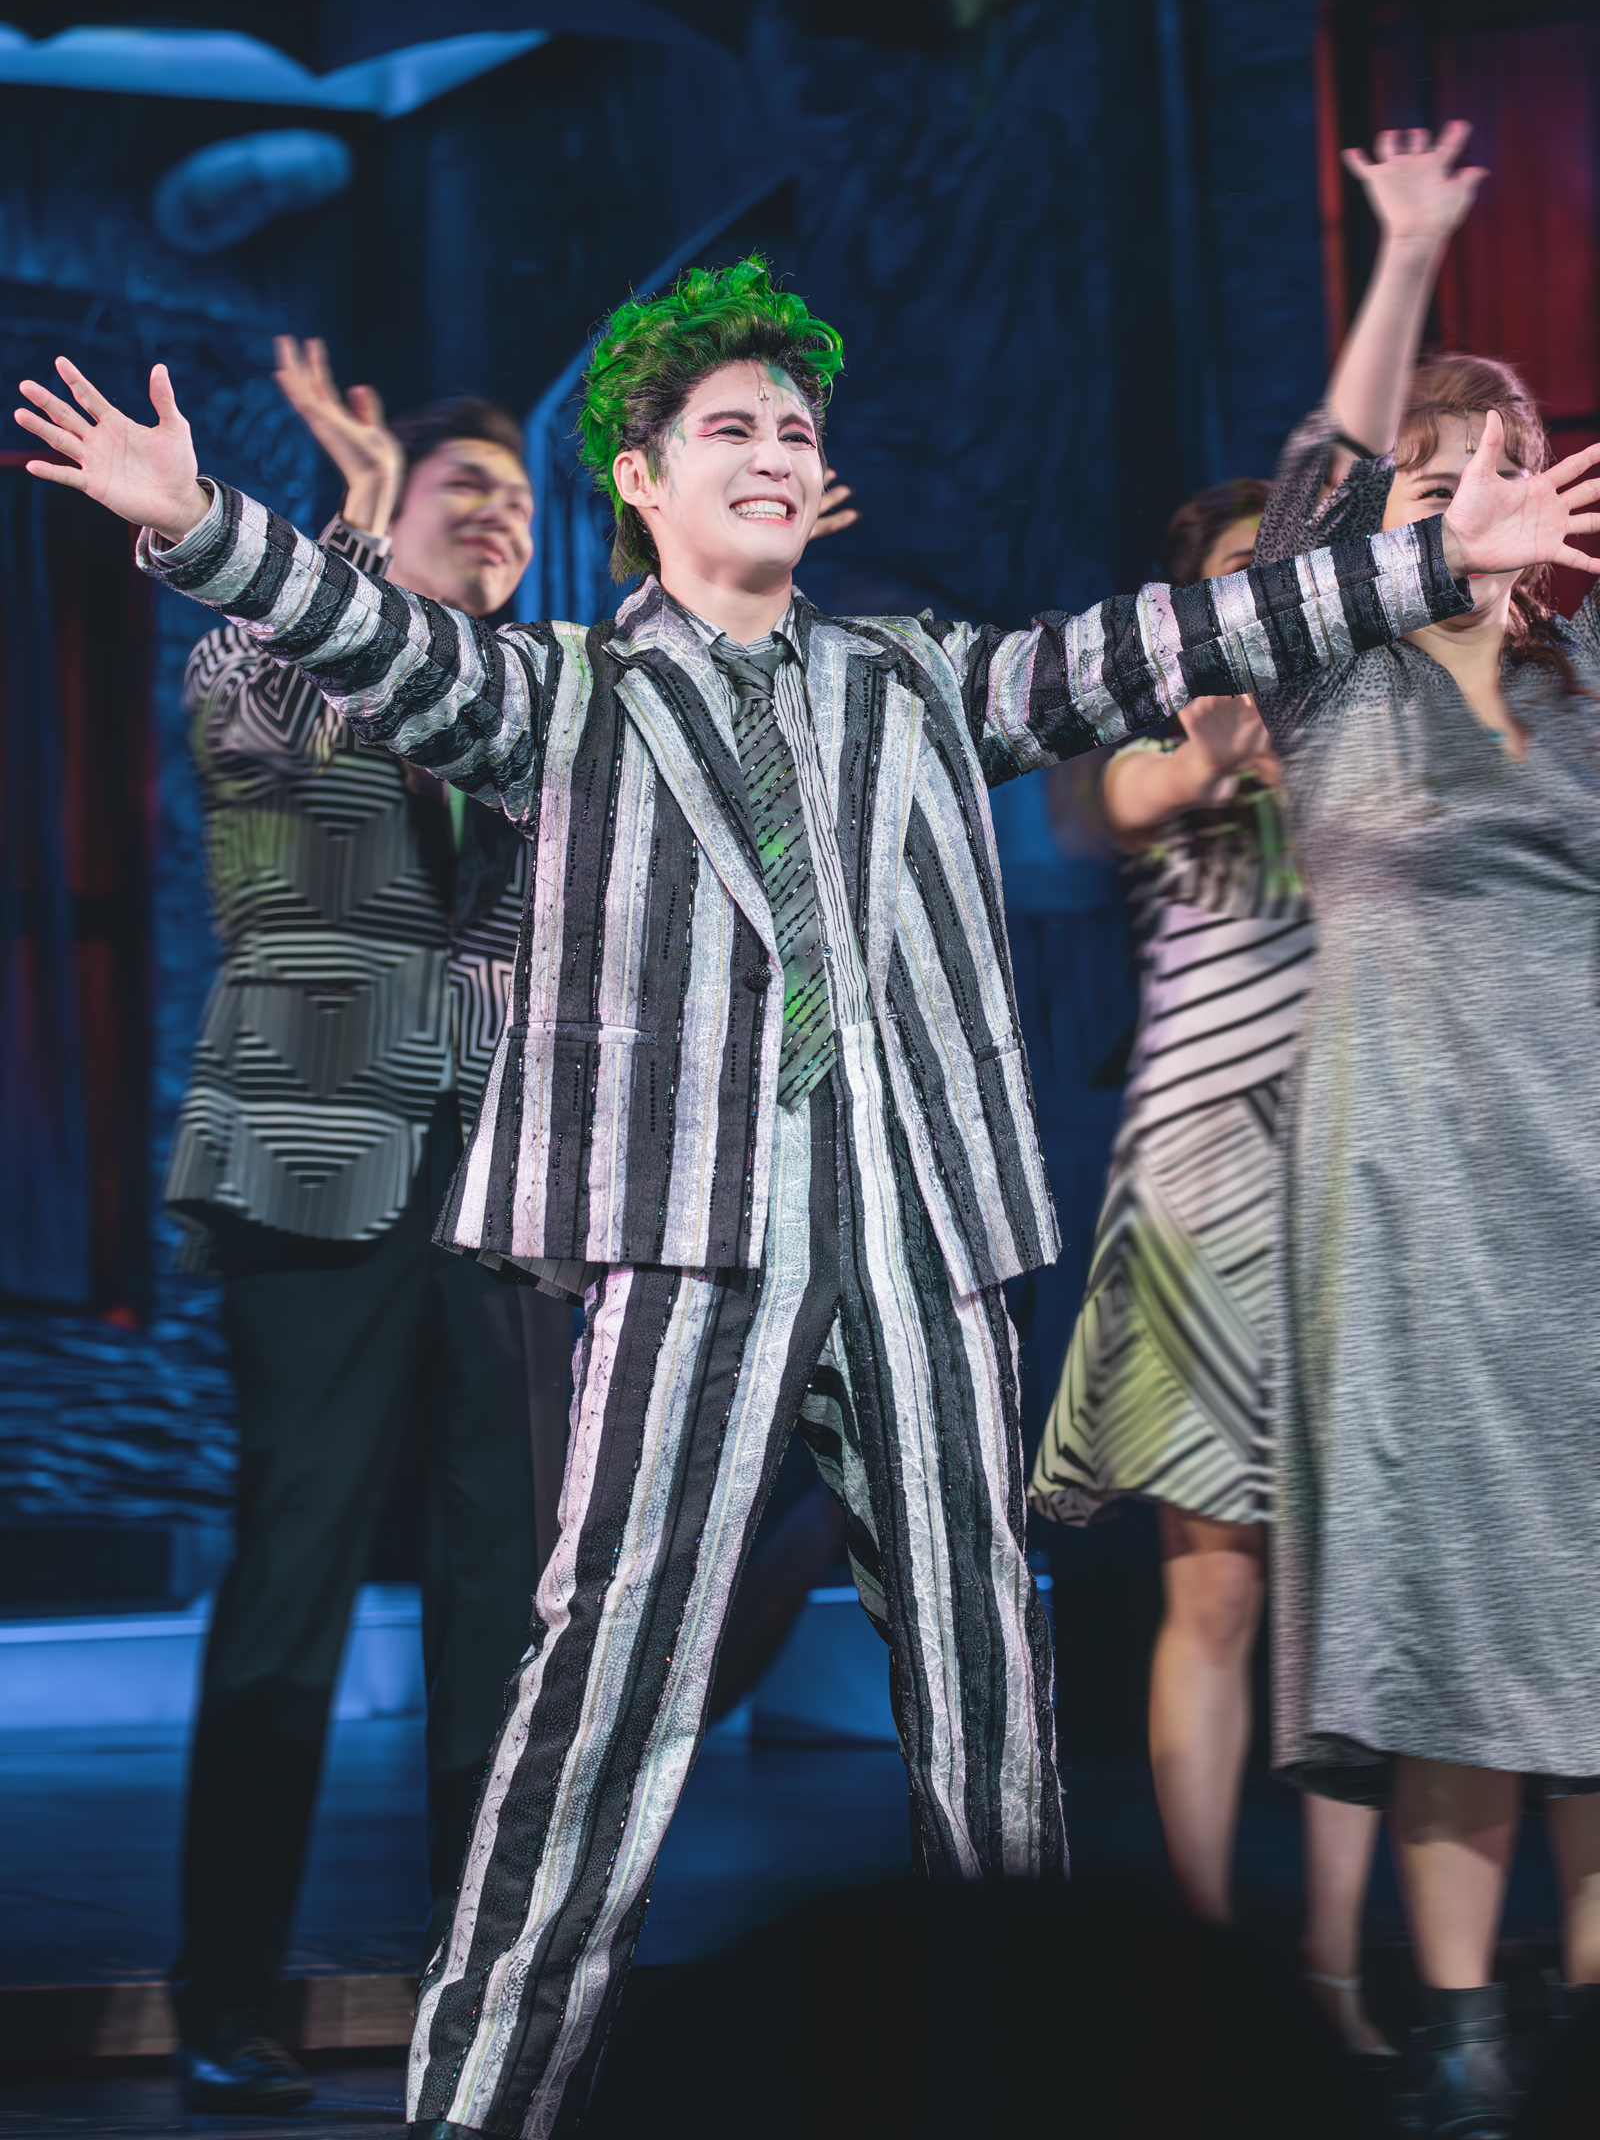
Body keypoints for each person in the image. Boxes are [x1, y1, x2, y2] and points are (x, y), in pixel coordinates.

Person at [15, 252, 1593, 2140]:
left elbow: (1167, 640)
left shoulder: (916, 676)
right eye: (732, 429)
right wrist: (198, 517)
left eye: (794, 428)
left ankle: (1029, 2094)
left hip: (921, 1234)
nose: (774, 452)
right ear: (643, 481)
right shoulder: (568, 693)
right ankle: (484, 2105)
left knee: (988, 1696)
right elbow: (380, 643)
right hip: (691, 1246)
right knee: (601, 1691)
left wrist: (1425, 562)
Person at [145, 352, 576, 2113]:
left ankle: (482, 1987)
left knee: (503, 1596)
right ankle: (226, 1990)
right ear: (385, 518)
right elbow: (251, 696)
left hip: (501, 1191)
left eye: (517, 499)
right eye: (461, 487)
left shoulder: (538, 701)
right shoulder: (269, 659)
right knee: (296, 1577)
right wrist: (345, 518)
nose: (496, 516)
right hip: (315, 1165)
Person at [1246, 122, 1600, 2135]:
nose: (1477, 486)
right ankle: (1460, 2029)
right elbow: (1310, 491)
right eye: (1438, 466)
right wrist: (1401, 261)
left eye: (1509, 457)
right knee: (1454, 1589)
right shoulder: (1327, 680)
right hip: (1401, 1190)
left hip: (1583, 1183)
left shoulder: (1589, 679)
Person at [1029, 476, 1389, 2056]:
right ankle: (1195, 1976)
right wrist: (1231, 728)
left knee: (1351, 1602)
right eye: (1250, 574)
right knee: (1218, 1585)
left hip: (1363, 1167)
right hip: (1201, 1179)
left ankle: (1335, 1972)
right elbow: (1129, 801)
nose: (1278, 596)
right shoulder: (1157, 718)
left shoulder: (1377, 722)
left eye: (1297, 572)